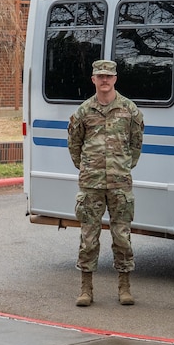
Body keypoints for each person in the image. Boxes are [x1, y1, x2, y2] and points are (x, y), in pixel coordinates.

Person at [67, 58, 143, 307]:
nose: (104, 80)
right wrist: (88, 167)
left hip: (120, 184)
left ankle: (124, 287)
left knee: (122, 238)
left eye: (108, 76)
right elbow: (75, 145)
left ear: (115, 79)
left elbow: (136, 145)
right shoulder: (83, 111)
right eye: (100, 76)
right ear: (93, 80)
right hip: (92, 184)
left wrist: (122, 166)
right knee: (88, 239)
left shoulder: (129, 110)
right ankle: (86, 289)